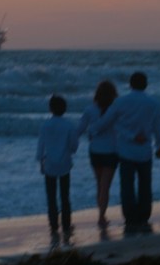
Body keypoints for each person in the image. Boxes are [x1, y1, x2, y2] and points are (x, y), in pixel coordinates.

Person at [91, 71, 160, 229]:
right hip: (145, 151)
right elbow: (159, 128)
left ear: (130, 84)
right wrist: (159, 147)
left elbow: (106, 121)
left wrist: (93, 130)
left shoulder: (121, 102)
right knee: (145, 185)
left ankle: (130, 217)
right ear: (146, 85)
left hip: (126, 151)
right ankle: (144, 215)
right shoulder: (154, 103)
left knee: (127, 186)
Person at [75, 80, 119, 227]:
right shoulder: (115, 110)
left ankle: (101, 215)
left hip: (95, 151)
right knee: (105, 186)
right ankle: (101, 216)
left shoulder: (89, 109)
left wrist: (67, 143)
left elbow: (79, 129)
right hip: (111, 151)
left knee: (99, 185)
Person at [36, 94, 79, 235]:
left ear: (50, 109)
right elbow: (74, 146)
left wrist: (40, 161)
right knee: (65, 196)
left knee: (51, 196)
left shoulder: (46, 125)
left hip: (49, 164)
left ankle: (53, 224)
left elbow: (41, 146)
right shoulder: (69, 125)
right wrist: (69, 151)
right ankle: (66, 224)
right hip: (65, 163)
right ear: (64, 109)